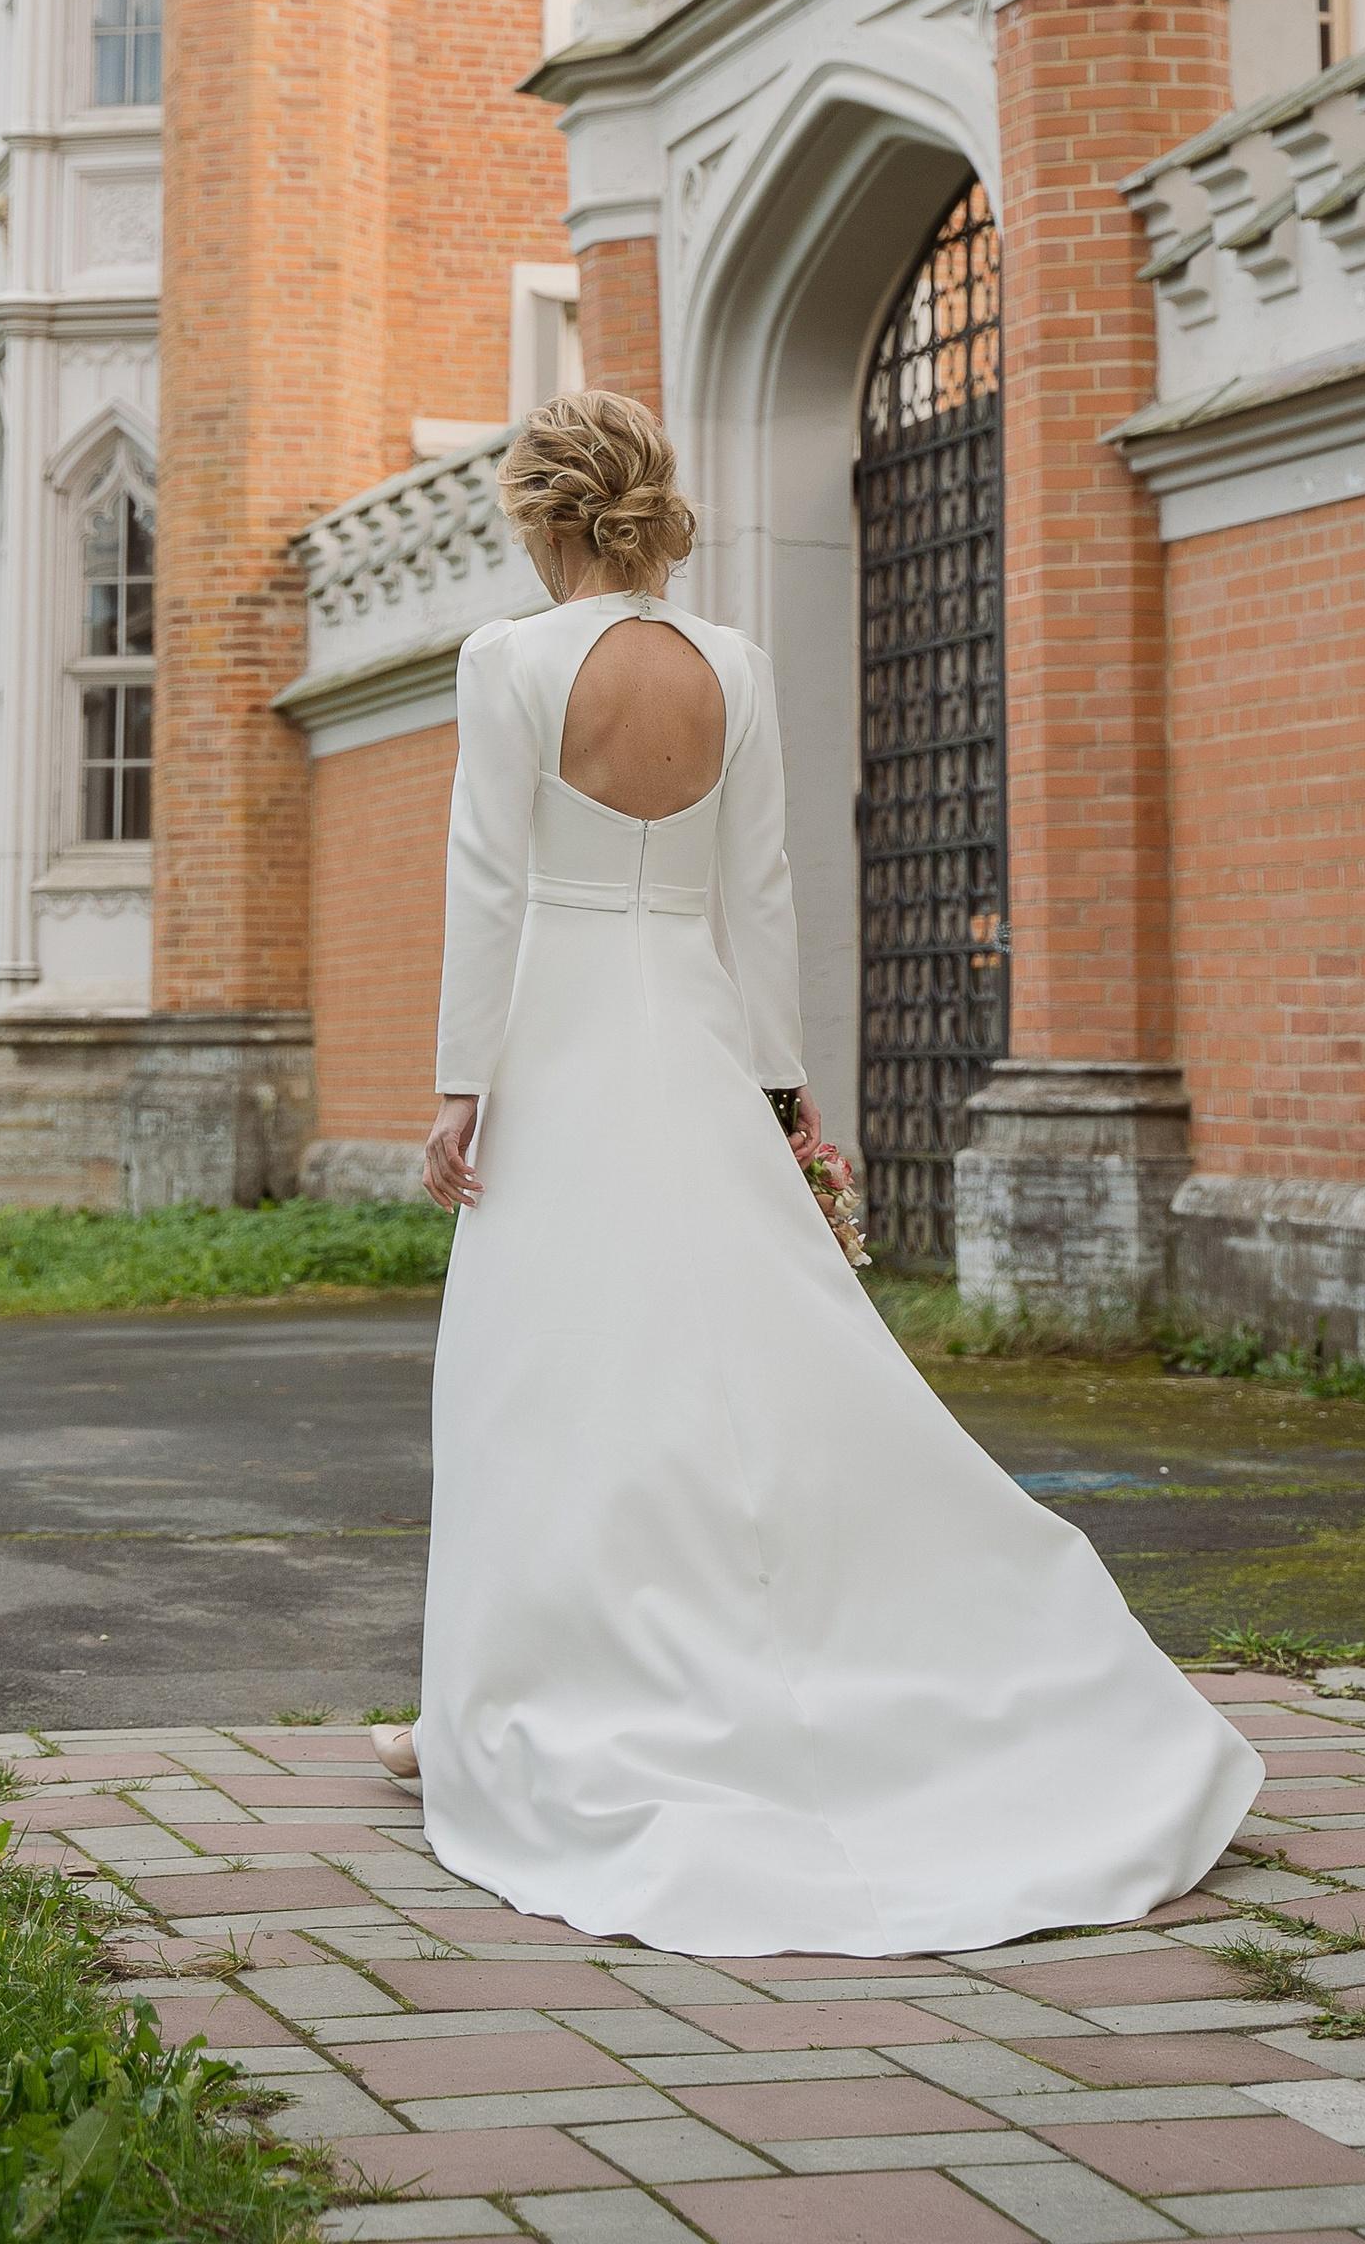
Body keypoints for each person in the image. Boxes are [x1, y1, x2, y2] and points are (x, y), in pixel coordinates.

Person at [373, 388, 1261, 1958]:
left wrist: (463, 1087)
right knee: (749, 1358)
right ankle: (618, 1688)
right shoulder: (738, 666)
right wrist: (783, 1094)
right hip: (699, 1042)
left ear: (544, 516)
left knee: (548, 1374)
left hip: (566, 1044)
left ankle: (524, 1704)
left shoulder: (507, 662)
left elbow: (489, 880)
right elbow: (760, 889)